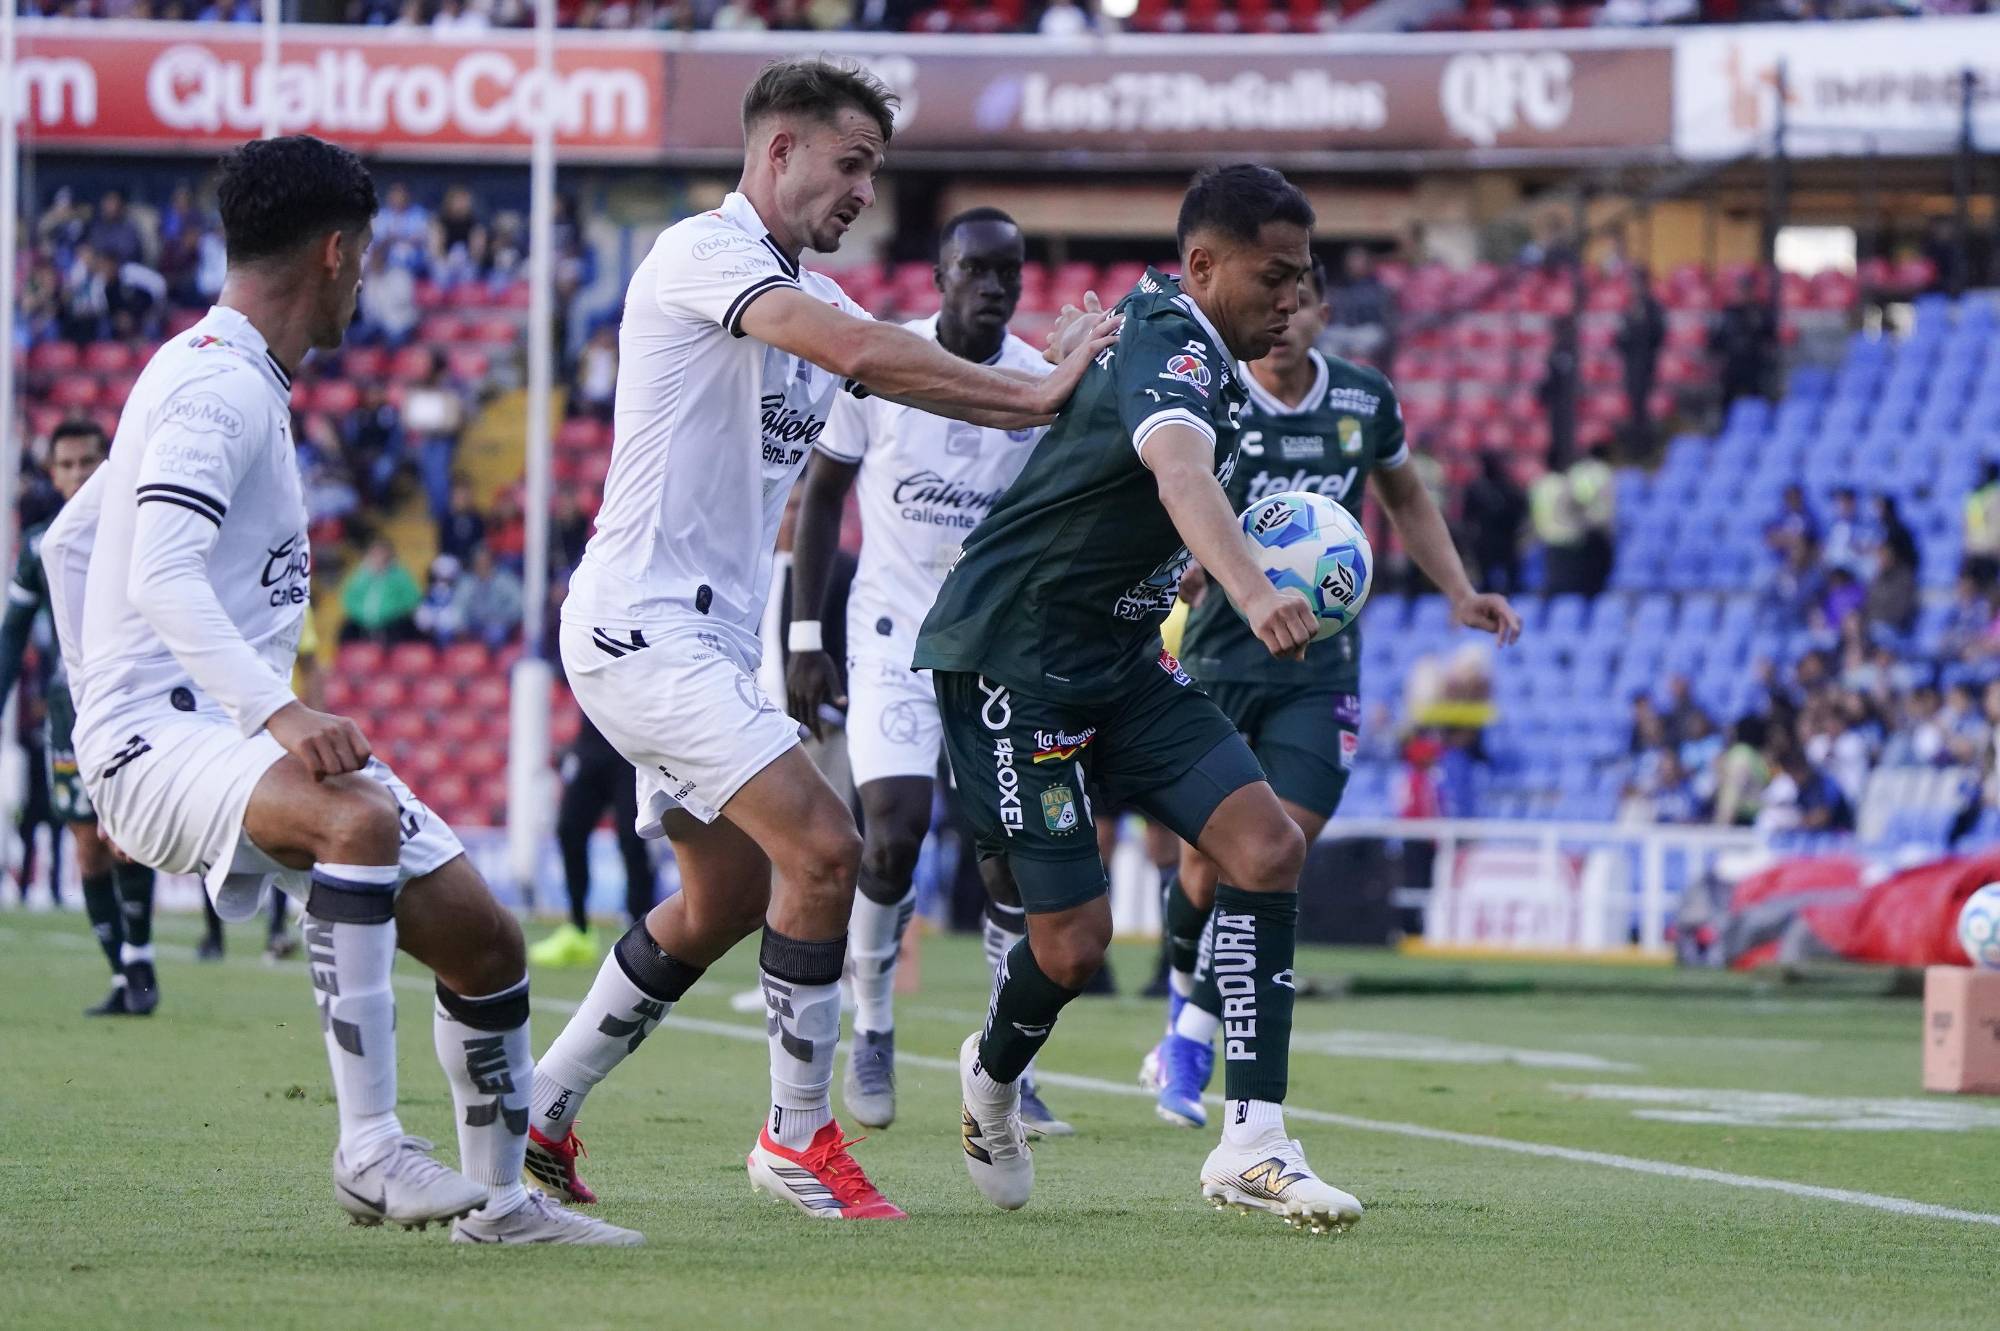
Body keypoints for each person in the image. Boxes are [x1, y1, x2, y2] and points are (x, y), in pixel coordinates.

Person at [521, 59, 1112, 1222]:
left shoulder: (822, 302)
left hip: (698, 641)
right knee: (829, 847)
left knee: (724, 892)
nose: (862, 192)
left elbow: (921, 372)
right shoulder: (706, 252)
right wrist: (1039, 397)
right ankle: (797, 1133)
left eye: (873, 172)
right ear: (779, 148)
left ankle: (536, 1107)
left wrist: (1058, 376)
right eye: (851, 164)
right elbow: (864, 358)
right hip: (644, 626)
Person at [42, 134, 637, 1246]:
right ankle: (367, 1149)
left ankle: (502, 1205)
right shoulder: (218, 387)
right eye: (363, 259)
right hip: (175, 740)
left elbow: (72, 543)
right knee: (353, 815)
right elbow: (157, 572)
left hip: (199, 728)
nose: (367, 281)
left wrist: (104, 682)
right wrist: (178, 712)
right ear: (334, 252)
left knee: (485, 940)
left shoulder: (215, 372)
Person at [913, 163, 1374, 1230]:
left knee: (1265, 846)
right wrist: (1252, 589)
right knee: (1073, 945)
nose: (1291, 300)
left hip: (1119, 662)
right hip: (1013, 661)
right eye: (1273, 276)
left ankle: (1252, 1143)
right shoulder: (1172, 341)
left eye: (1303, 280)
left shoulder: (1178, 333)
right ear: (1204, 266)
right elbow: (1177, 472)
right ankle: (988, 1076)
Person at [1141, 257, 1520, 1129]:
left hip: (1320, 672)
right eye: (1277, 299)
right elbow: (1167, 486)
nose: (1287, 317)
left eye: (1303, 302)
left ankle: (1194, 1035)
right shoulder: (1219, 394)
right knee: (1201, 863)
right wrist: (1182, 562)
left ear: (1320, 314)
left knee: (1277, 844)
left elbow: (1408, 498)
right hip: (1223, 662)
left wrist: (1459, 591)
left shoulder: (1361, 400)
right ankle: (1180, 1007)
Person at [785, 206, 1071, 1136]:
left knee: (1007, 858)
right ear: (941, 276)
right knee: (893, 832)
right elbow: (822, 496)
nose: (993, 287)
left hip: (994, 648)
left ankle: (1006, 1058)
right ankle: (871, 1027)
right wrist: (802, 637)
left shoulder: (1038, 384)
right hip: (890, 631)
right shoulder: (882, 366)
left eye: (1009, 273)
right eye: (975, 270)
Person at [0, 421, 160, 1015]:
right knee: (87, 842)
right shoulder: (41, 545)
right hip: (70, 709)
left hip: (137, 699)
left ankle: (141, 957)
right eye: (65, 465)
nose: (77, 476)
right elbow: (12, 637)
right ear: (51, 473)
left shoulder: (142, 530)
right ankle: (124, 972)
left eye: (88, 462)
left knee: (133, 835)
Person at [529, 713, 657, 969]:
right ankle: (578, 929)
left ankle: (643, 933)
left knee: (633, 839)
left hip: (630, 752)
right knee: (569, 830)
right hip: (590, 747)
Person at [1614, 265, 1665, 458]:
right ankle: (1634, 451)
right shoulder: (1629, 308)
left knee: (1645, 408)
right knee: (1633, 408)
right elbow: (1620, 339)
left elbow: (1659, 335)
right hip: (1631, 365)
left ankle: (1646, 450)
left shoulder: (1652, 307)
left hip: (1647, 365)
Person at [1461, 450, 1527, 595]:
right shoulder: (1479, 488)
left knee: (1508, 581)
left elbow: (1521, 510)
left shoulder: (1506, 487)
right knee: (1493, 582)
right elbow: (1467, 517)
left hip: (1499, 540)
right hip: (1493, 540)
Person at [339, 538, 422, 642]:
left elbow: (412, 597)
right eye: (375, 554)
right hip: (361, 623)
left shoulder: (399, 575)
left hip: (392, 624)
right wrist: (361, 615)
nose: (378, 558)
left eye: (381, 554)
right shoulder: (360, 576)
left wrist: (391, 612)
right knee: (346, 632)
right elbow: (348, 597)